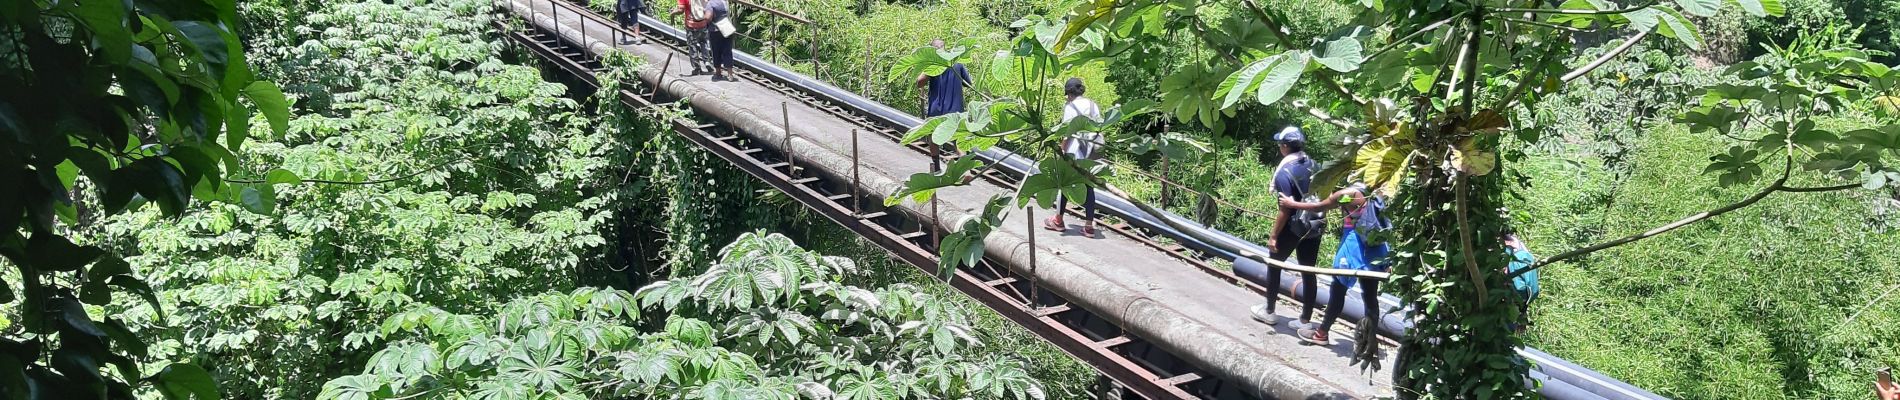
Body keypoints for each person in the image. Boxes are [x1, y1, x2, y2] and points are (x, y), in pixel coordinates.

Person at [1279, 182, 1392, 346]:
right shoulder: (1374, 194)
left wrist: (1292, 204)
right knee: (1370, 297)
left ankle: (1321, 334)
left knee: (1337, 291)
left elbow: (1319, 207)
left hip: (1354, 246)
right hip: (1374, 248)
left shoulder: (1349, 194)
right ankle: (1368, 344)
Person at [1251, 126, 1322, 331]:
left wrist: (1273, 236)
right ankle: (1305, 320)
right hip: (1314, 225)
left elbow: (1285, 209)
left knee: (1275, 265)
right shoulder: (1314, 165)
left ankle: (1270, 311)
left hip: (1293, 226)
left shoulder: (1285, 172)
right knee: (1308, 270)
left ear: (1284, 146)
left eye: (1279, 144)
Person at [1042, 78, 1104, 237]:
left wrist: (1061, 151)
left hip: (1075, 152)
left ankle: (1058, 220)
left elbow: (1067, 133)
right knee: (1089, 186)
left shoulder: (1070, 106)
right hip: (1092, 153)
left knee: (1064, 184)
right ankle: (1089, 226)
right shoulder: (1093, 105)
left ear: (1069, 93)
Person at [913, 39, 970, 172]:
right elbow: (968, 83)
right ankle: (966, 171)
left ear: (933, 50)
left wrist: (926, 70)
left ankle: (937, 167)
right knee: (959, 140)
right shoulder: (958, 63)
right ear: (945, 47)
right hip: (956, 109)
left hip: (937, 109)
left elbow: (919, 82)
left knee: (934, 138)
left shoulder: (934, 65)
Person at [1505, 230, 1540, 333]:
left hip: (1514, 295)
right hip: (1524, 297)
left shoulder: (1507, 247)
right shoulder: (1521, 246)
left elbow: (1504, 270)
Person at [671, 0, 712, 75]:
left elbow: (681, 10)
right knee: (704, 42)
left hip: (691, 25)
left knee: (692, 45)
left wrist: (673, 14)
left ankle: (697, 68)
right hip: (703, 22)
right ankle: (707, 61)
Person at [706, 0, 735, 80]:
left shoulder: (710, 4)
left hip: (715, 31)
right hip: (727, 28)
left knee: (716, 51)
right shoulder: (724, 1)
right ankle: (730, 74)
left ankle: (718, 72)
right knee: (727, 51)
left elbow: (708, 17)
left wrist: (704, 17)